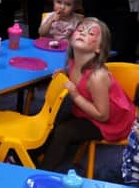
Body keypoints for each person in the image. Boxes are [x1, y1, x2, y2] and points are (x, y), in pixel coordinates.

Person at [41, 18, 136, 171]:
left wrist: (75, 94)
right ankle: (26, 155)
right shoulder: (73, 62)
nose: (83, 33)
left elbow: (103, 115)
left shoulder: (97, 77)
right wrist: (64, 73)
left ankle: (43, 172)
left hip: (111, 122)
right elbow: (76, 77)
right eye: (80, 30)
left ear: (98, 48)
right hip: (87, 110)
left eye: (90, 33)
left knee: (64, 132)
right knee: (51, 122)